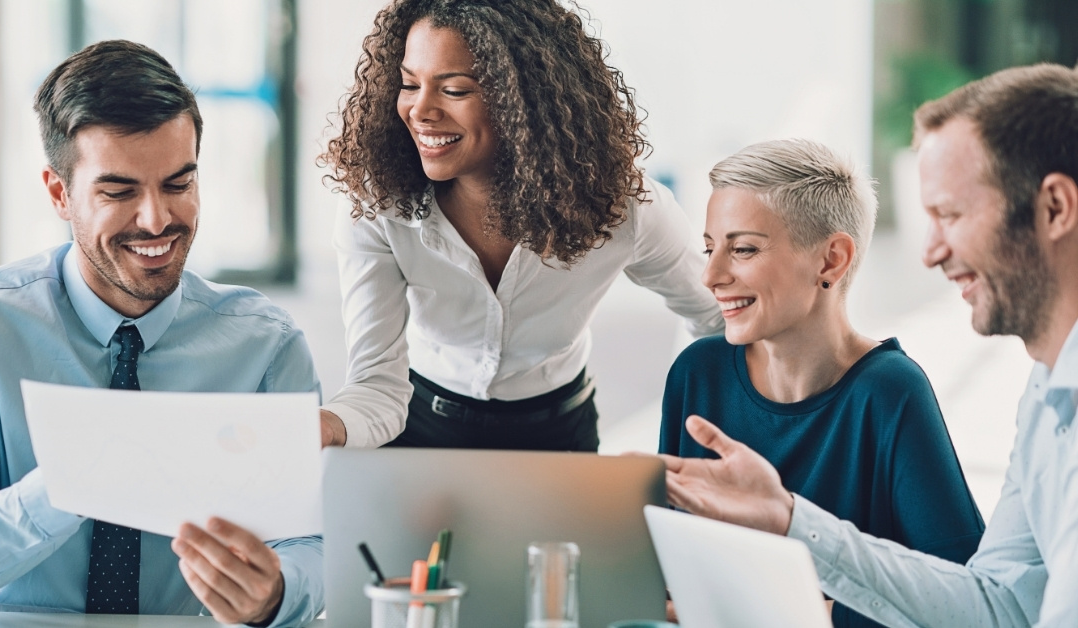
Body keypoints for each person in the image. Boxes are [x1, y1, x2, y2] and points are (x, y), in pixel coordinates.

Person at [0, 40, 323, 627]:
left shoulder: (265, 347)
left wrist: (276, 593)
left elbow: (311, 546)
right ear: (59, 193)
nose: (156, 219)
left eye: (178, 184)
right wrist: (75, 480)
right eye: (119, 192)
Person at [661, 63, 1078, 627]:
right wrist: (789, 519)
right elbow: (997, 607)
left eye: (950, 214)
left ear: (1055, 209)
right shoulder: (1047, 398)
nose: (929, 253)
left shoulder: (892, 388)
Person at [317, 0, 724, 450]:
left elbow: (716, 317)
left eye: (454, 90)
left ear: (525, 98)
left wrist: (691, 421)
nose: (420, 110)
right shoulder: (378, 203)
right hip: (421, 422)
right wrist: (325, 426)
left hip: (558, 432)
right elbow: (376, 387)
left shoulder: (621, 205)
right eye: (410, 85)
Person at [659, 138, 984, 627]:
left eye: (742, 249)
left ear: (831, 260)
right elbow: (661, 566)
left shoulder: (890, 392)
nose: (711, 275)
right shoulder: (697, 373)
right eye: (709, 249)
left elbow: (965, 603)